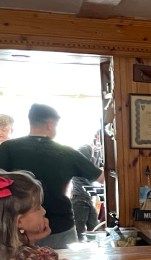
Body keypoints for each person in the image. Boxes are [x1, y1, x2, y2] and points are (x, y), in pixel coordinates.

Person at [0, 103, 104, 250]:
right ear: (50, 124)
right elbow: (101, 178)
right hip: (60, 225)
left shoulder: (7, 148)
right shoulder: (66, 152)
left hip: (17, 228)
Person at [71, 143, 102, 238]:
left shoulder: (94, 156)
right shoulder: (84, 152)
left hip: (86, 199)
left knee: (94, 229)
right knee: (79, 232)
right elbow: (89, 175)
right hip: (79, 199)